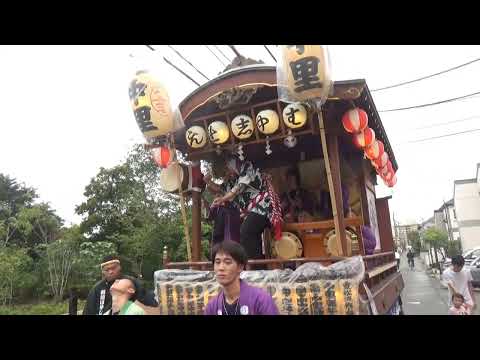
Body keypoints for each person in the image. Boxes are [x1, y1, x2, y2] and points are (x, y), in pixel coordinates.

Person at [204, 155, 282, 260]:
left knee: (246, 230)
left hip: (264, 207)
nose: (226, 176)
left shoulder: (247, 168)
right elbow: (219, 189)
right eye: (223, 176)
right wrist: (208, 182)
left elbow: (235, 190)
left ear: (228, 166)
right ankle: (256, 264)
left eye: (226, 173)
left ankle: (256, 267)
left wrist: (222, 199)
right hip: (253, 211)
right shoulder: (231, 181)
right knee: (247, 233)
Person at [204, 241, 279, 315]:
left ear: (240, 267)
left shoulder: (260, 299)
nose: (221, 268)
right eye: (217, 262)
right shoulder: (212, 306)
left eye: (227, 262)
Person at [83, 255, 157, 315]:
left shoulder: (130, 282)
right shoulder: (98, 288)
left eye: (113, 268)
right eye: (107, 270)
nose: (110, 272)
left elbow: (149, 300)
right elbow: (88, 311)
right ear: (103, 272)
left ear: (119, 267)